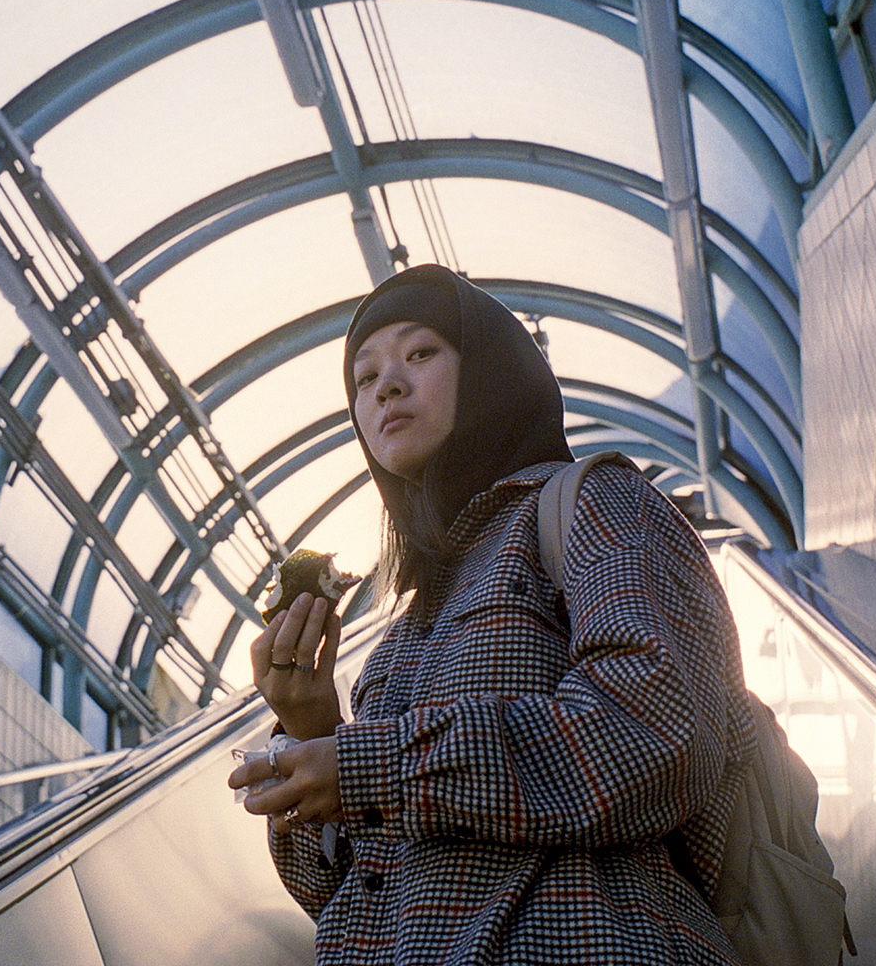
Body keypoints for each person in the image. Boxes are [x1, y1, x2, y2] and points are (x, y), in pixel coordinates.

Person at [227, 263, 757, 964]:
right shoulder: (404, 629)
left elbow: (654, 735)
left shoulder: (593, 505)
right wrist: (310, 728)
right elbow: (349, 893)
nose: (386, 385)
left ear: (490, 371)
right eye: (364, 377)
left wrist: (366, 767)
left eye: (420, 353)